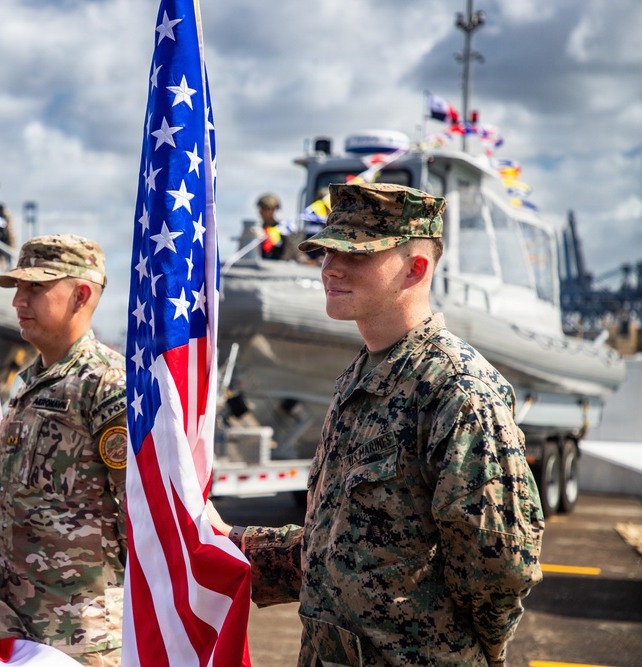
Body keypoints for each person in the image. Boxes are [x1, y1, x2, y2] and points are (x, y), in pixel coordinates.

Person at [209, 182, 545, 667]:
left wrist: (466, 654)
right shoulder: (359, 376)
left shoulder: (456, 390)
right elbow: (343, 545)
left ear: (417, 267)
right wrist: (233, 543)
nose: (331, 267)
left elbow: (501, 568)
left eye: (358, 254)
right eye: (325, 251)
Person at [0, 234, 128, 667]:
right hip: (13, 625)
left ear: (81, 295)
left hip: (80, 637)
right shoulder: (28, 380)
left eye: (35, 287)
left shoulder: (107, 384)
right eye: (17, 288)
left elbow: (139, 513)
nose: (18, 301)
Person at [257, 193, 311, 263]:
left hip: (280, 265)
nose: (262, 212)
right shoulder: (257, 230)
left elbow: (293, 249)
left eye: (266, 209)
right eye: (261, 208)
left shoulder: (283, 229)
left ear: (274, 210)